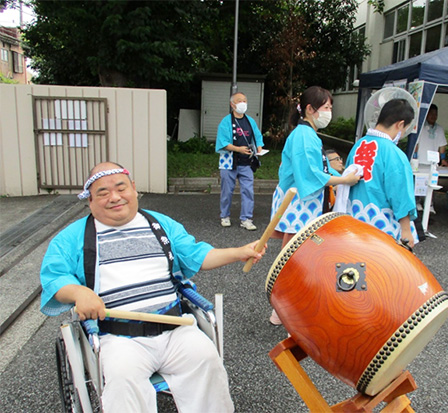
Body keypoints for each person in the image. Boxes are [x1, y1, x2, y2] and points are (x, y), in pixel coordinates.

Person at [39, 162, 266, 413]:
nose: (114, 197)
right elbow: (54, 277)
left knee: (207, 359)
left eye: (121, 188)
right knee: (123, 381)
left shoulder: (160, 224)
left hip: (175, 328)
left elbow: (195, 255)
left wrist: (239, 252)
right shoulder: (72, 237)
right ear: (90, 201)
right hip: (119, 337)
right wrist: (79, 292)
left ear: (134, 189)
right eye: (103, 193)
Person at [268, 86, 361, 325]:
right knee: (293, 260)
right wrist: (344, 180)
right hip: (297, 205)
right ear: (310, 109)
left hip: (300, 205)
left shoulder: (307, 134)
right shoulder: (303, 136)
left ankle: (283, 310)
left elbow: (318, 170)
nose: (330, 112)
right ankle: (284, 311)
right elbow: (311, 175)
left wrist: (337, 176)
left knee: (294, 259)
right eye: (327, 107)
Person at [346, 98, 418, 248]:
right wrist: (406, 230)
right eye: (405, 128)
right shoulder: (395, 154)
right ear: (400, 124)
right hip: (382, 227)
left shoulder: (358, 146)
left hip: (353, 221)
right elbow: (401, 195)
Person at [216, 92, 264, 230]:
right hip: (229, 162)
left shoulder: (250, 121)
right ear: (232, 104)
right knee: (227, 191)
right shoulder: (226, 122)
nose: (243, 103)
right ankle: (224, 216)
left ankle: (247, 218)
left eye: (245, 100)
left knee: (248, 191)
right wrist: (238, 149)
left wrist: (259, 149)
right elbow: (223, 142)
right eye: (239, 101)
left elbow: (257, 136)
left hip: (246, 162)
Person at [413, 104, 448, 214]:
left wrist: (443, 159)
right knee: (418, 184)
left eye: (435, 114)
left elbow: (442, 145)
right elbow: (416, 144)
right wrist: (414, 158)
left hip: (433, 163)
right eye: (431, 113)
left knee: (431, 184)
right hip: (420, 161)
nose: (433, 116)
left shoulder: (439, 129)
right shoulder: (420, 127)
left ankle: (430, 204)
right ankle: (417, 202)